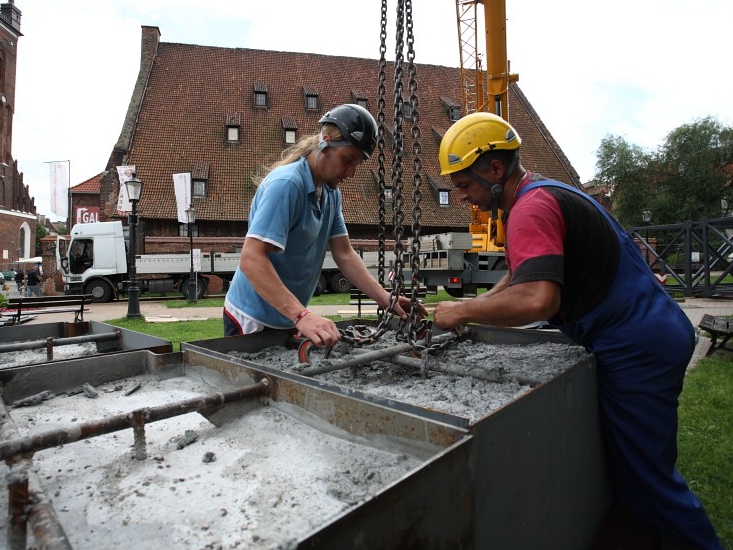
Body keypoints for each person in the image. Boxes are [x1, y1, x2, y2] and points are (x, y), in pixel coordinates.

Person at [432, 112, 722, 549]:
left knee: (650, 482)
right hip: (648, 331)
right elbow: (521, 278)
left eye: (465, 185)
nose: (463, 197)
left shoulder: (529, 208)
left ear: (495, 169)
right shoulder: (546, 191)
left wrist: (462, 313)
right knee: (632, 469)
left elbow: (538, 300)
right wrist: (463, 307)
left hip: (636, 344)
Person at [224, 104, 425, 346]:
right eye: (347, 160)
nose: (350, 173)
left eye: (356, 164)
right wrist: (302, 316)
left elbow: (344, 253)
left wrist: (385, 298)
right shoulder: (287, 184)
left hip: (288, 318)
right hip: (252, 319)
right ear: (325, 143)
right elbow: (251, 259)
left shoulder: (330, 193)